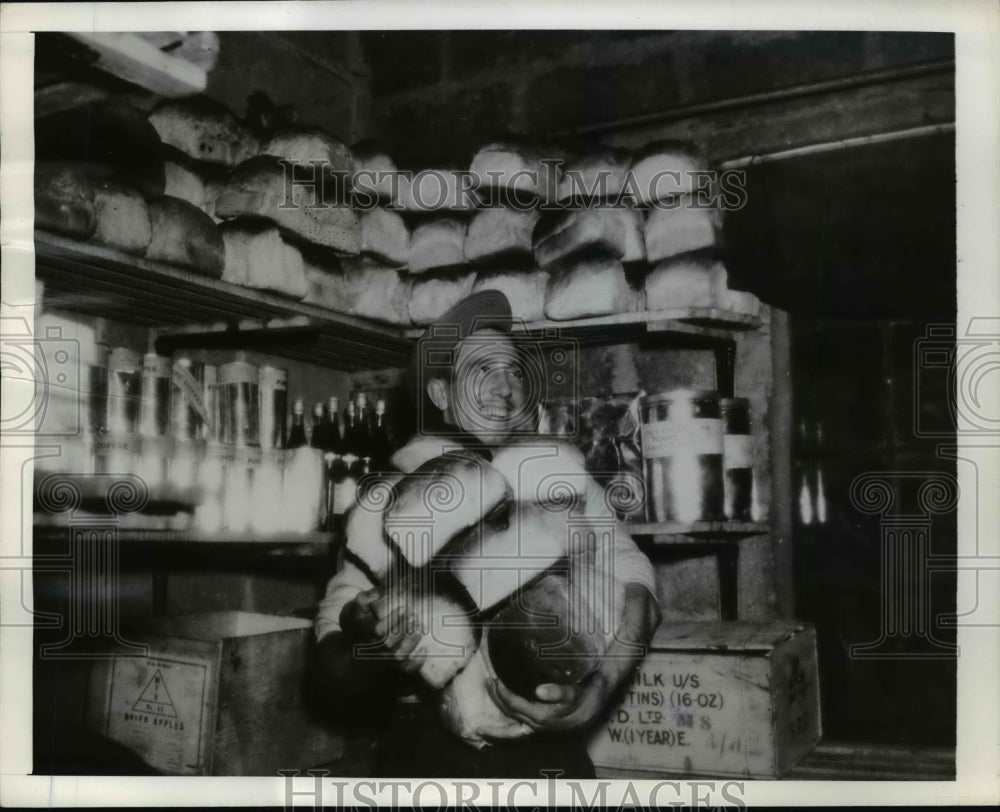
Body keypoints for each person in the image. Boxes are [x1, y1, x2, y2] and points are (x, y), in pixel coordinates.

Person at [314, 291, 661, 778]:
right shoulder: (389, 499)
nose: (507, 388)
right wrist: (373, 643)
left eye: (515, 371)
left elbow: (636, 580)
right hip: (428, 763)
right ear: (441, 394)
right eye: (483, 371)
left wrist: (600, 687)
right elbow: (332, 667)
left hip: (550, 759)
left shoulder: (559, 475)